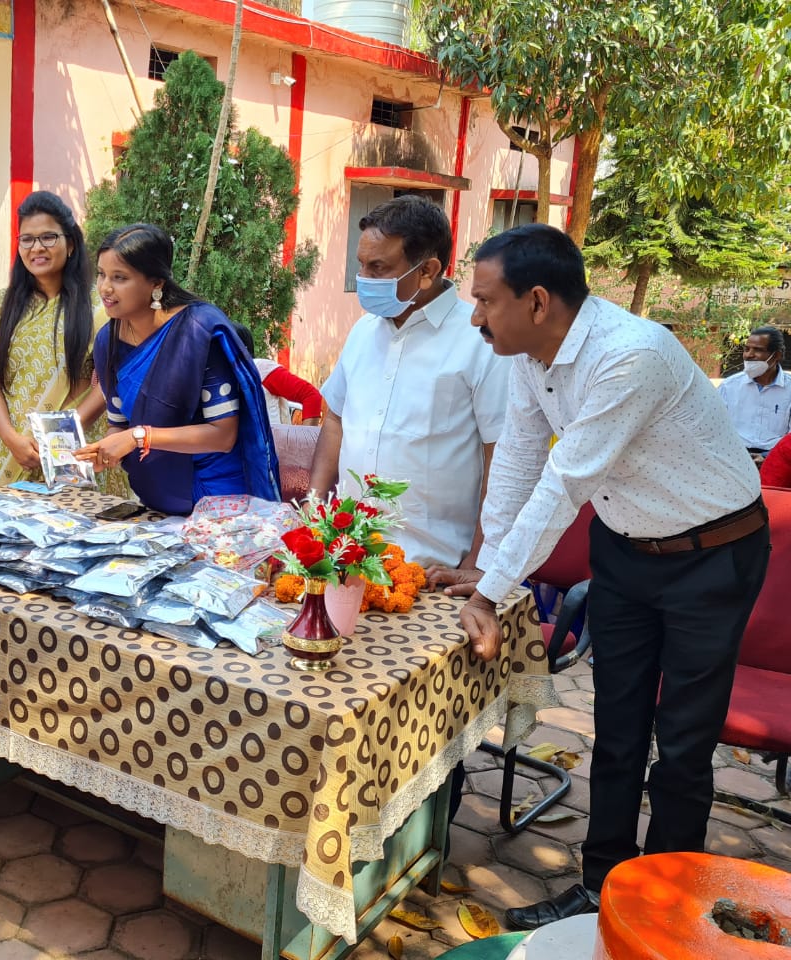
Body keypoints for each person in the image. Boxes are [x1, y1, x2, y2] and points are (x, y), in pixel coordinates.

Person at [428, 224, 769, 929]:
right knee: (615, 729)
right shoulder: (528, 355)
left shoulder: (631, 355)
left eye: (486, 301)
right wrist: (488, 567)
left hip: (712, 556)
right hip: (626, 551)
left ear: (540, 301)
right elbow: (520, 459)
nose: (474, 316)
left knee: (681, 744)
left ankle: (670, 907)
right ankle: (602, 886)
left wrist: (494, 592)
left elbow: (563, 482)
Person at [307, 195, 509, 569]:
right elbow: (334, 420)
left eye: (379, 268)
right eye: (361, 266)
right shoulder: (363, 332)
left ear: (428, 270)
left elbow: (500, 455)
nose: (364, 280)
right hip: (344, 555)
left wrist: (481, 560)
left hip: (432, 567)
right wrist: (313, 506)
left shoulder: (478, 342)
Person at [75, 222, 280, 514]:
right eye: (101, 274)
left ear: (156, 283)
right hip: (156, 497)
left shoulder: (198, 332)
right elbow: (118, 424)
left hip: (217, 499)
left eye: (119, 277)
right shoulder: (108, 340)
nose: (105, 288)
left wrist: (138, 437)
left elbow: (223, 436)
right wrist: (104, 452)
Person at [0, 190, 106, 486]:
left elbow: (108, 386)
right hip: (12, 452)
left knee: (71, 530)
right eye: (27, 239)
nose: (37, 247)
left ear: (71, 244)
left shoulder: (99, 306)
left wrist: (54, 439)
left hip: (74, 448)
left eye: (48, 237)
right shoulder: (2, 304)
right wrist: (12, 439)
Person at [716, 325, 791, 462]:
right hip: (733, 459)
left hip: (777, 460)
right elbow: (714, 427)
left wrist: (766, 457)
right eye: (747, 349)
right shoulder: (729, 386)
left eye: (758, 350)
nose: (749, 355)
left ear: (777, 356)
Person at [235, 324, 324, 426]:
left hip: (273, 440)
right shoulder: (219, 380)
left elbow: (311, 395)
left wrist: (306, 438)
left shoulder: (260, 370)